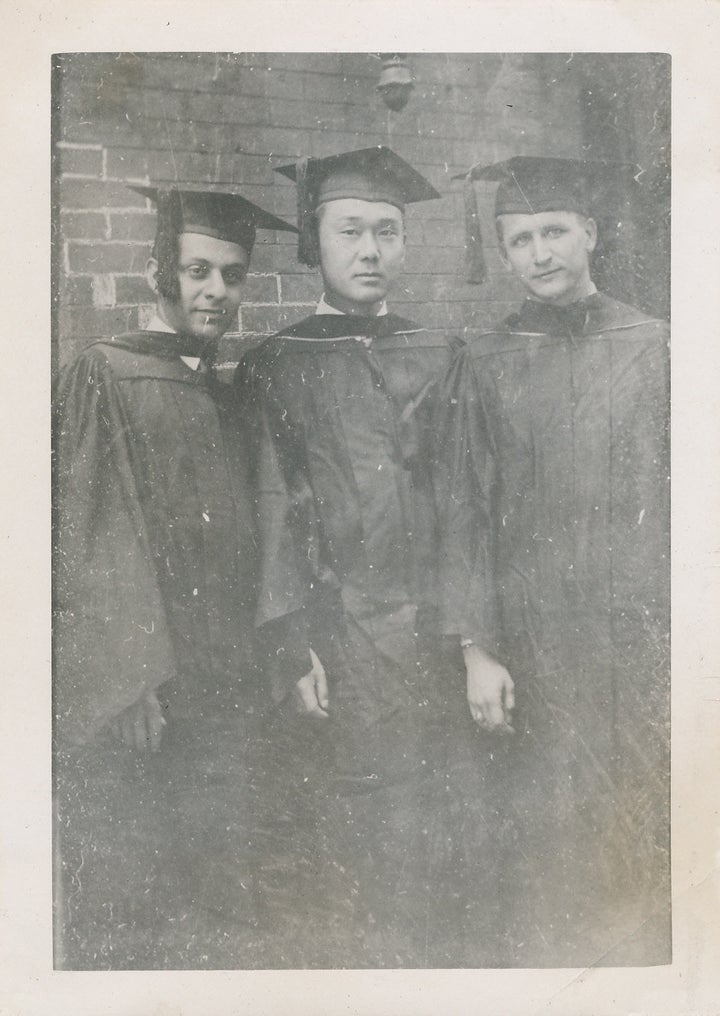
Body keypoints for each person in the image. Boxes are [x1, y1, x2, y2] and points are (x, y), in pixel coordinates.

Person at [53, 184, 298, 968]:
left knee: (218, 891)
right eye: (198, 271)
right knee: (137, 893)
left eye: (231, 276)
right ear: (159, 269)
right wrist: (127, 676)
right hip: (148, 686)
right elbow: (90, 532)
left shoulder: (225, 391)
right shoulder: (105, 374)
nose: (215, 292)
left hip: (222, 679)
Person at [435, 155, 671, 966]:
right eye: (520, 239)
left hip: (638, 640)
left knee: (644, 840)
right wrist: (477, 648)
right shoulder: (485, 356)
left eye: (554, 232)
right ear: (504, 254)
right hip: (532, 645)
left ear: (591, 234)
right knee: (545, 852)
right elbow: (462, 509)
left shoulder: (656, 346)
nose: (539, 253)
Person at [236, 147, 457, 966]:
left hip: (436, 629)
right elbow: (271, 511)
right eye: (351, 230)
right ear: (315, 243)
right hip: (340, 636)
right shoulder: (276, 364)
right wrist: (291, 646)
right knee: (354, 829)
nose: (371, 250)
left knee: (444, 822)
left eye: (388, 232)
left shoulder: (441, 349)